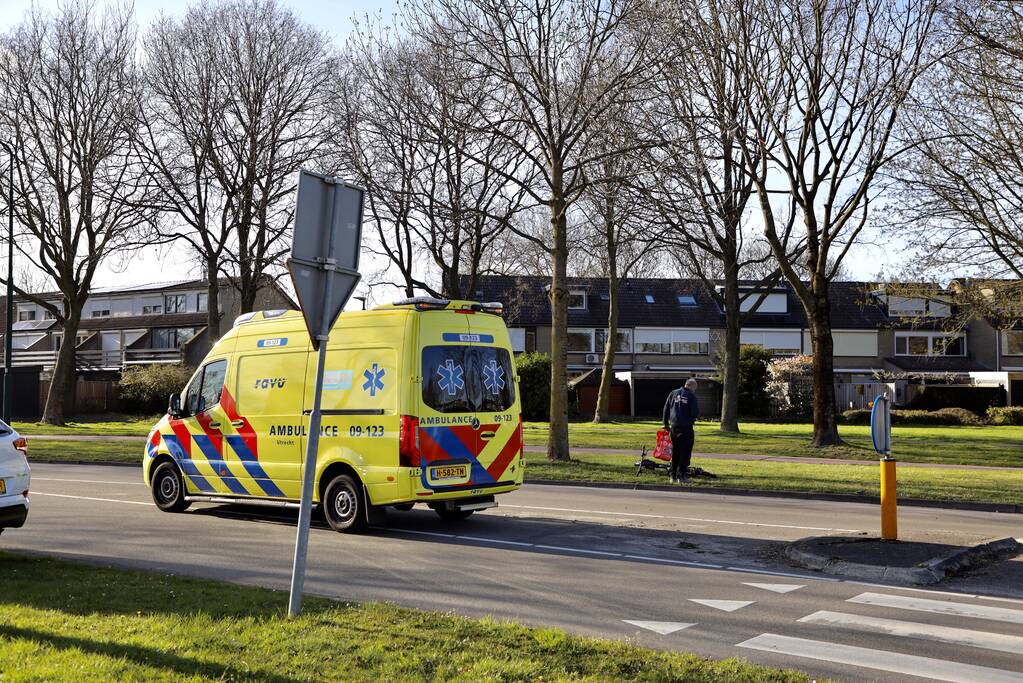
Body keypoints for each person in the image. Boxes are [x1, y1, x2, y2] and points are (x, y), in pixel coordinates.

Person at [662, 378, 699, 484]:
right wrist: (692, 419)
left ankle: (672, 476)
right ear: (692, 386)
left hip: (674, 427)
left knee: (676, 451)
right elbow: (695, 412)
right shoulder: (691, 396)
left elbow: (666, 409)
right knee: (685, 451)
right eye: (695, 388)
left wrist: (665, 424)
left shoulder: (673, 393)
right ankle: (681, 476)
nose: (694, 390)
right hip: (686, 427)